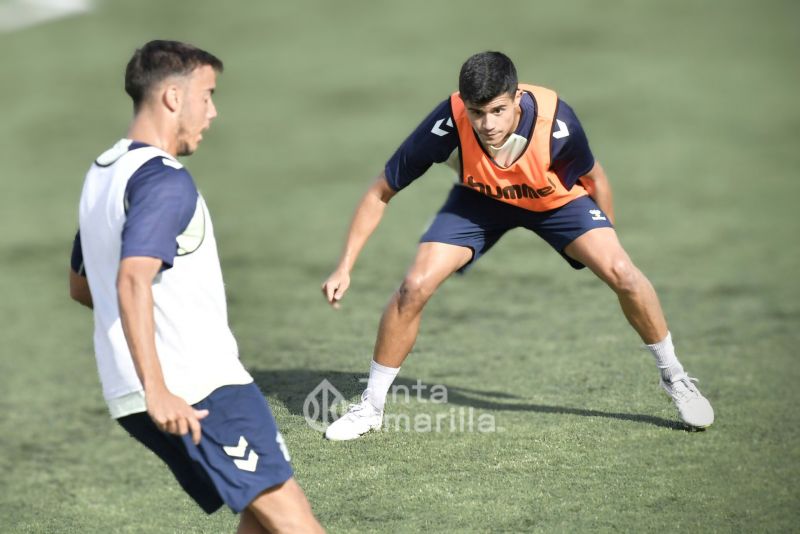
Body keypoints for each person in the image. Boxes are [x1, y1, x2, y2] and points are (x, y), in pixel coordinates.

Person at [321, 51, 714, 440]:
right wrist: (345, 265)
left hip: (555, 202)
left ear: (517, 99)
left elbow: (596, 180)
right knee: (414, 287)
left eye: (497, 110)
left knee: (625, 275)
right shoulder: (449, 120)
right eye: (477, 112)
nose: (486, 124)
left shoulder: (557, 123)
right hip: (481, 200)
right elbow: (380, 191)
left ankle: (675, 378)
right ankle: (370, 408)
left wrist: (608, 243)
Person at [69, 40, 324, 533]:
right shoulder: (165, 181)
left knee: (262, 513)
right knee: (293, 521)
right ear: (171, 97)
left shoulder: (104, 174)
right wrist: (159, 386)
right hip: (198, 389)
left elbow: (84, 285)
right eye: (206, 95)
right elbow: (130, 279)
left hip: (140, 391)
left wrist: (141, 370)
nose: (212, 111)